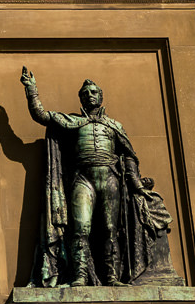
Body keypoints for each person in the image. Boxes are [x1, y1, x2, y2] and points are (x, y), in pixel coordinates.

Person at [21, 70, 173, 286]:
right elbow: (42, 115)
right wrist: (31, 89)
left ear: (101, 97)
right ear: (81, 98)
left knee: (110, 229)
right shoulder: (72, 122)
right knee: (81, 228)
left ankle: (112, 277)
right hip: (83, 180)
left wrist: (137, 184)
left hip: (110, 178)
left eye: (94, 92)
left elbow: (128, 156)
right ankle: (80, 276)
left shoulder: (115, 126)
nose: (90, 95)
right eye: (86, 92)